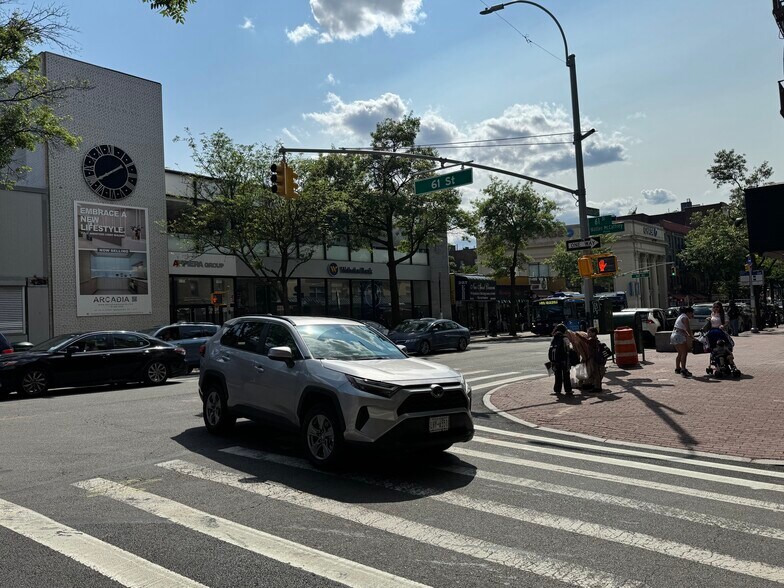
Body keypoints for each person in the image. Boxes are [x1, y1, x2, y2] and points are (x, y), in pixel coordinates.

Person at [548, 324, 573, 398]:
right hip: (564, 359)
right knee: (566, 375)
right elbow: (568, 348)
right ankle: (568, 390)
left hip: (555, 360)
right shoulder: (565, 338)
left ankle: (557, 389)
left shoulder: (554, 338)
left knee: (557, 375)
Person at [670, 306, 695, 377]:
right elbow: (688, 329)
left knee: (680, 353)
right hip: (679, 336)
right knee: (684, 353)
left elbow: (683, 329)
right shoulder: (685, 318)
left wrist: (689, 336)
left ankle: (678, 368)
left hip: (674, 335)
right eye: (691, 313)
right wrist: (692, 337)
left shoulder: (681, 316)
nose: (692, 315)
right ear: (688, 312)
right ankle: (683, 370)